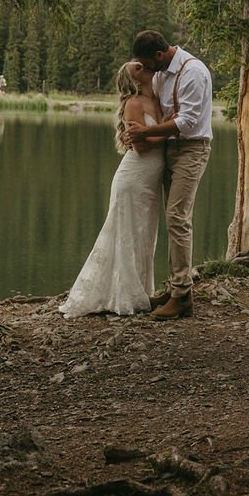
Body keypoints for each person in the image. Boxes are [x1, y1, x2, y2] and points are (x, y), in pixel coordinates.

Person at [59, 61, 166, 317]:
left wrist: (163, 129)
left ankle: (140, 291)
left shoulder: (160, 98)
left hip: (150, 181)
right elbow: (140, 147)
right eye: (137, 68)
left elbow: (150, 136)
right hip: (133, 179)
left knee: (144, 234)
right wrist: (173, 130)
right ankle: (123, 295)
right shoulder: (133, 104)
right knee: (126, 232)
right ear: (134, 80)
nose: (144, 67)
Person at [124, 29, 212, 321]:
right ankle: (175, 287)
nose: (148, 70)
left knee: (177, 216)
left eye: (148, 64)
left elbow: (186, 122)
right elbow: (155, 107)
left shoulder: (193, 72)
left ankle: (182, 296)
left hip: (192, 148)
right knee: (170, 218)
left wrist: (146, 131)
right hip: (166, 150)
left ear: (160, 56)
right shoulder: (160, 73)